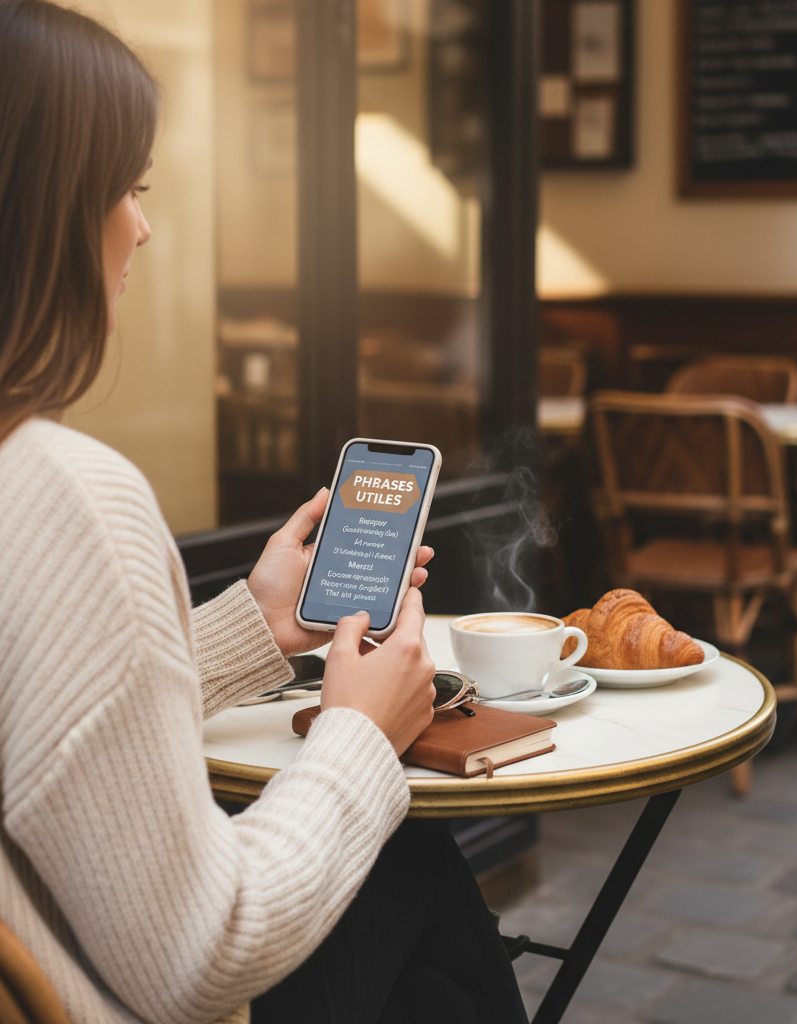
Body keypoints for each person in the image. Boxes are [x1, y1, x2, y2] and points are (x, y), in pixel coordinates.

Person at [0, 2, 529, 1022]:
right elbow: (204, 952)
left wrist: (254, 620)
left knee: (425, 996)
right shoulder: (61, 491)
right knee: (412, 856)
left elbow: (42, 723)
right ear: (47, 214)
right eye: (127, 188)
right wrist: (360, 733)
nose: (142, 225)